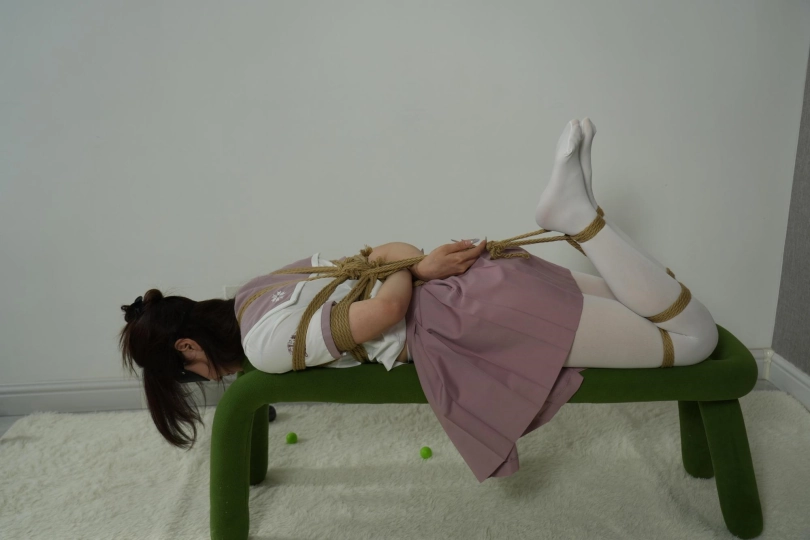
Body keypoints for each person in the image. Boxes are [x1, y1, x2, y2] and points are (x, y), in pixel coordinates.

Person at [119, 118, 719, 456]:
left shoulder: (265, 347)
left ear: (188, 347)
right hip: (476, 278)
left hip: (474, 320)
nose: (206, 381)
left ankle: (579, 218)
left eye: (189, 377)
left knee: (695, 340)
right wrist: (421, 267)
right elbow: (388, 253)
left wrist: (409, 277)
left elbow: (384, 312)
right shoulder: (257, 288)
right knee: (646, 303)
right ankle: (580, 212)